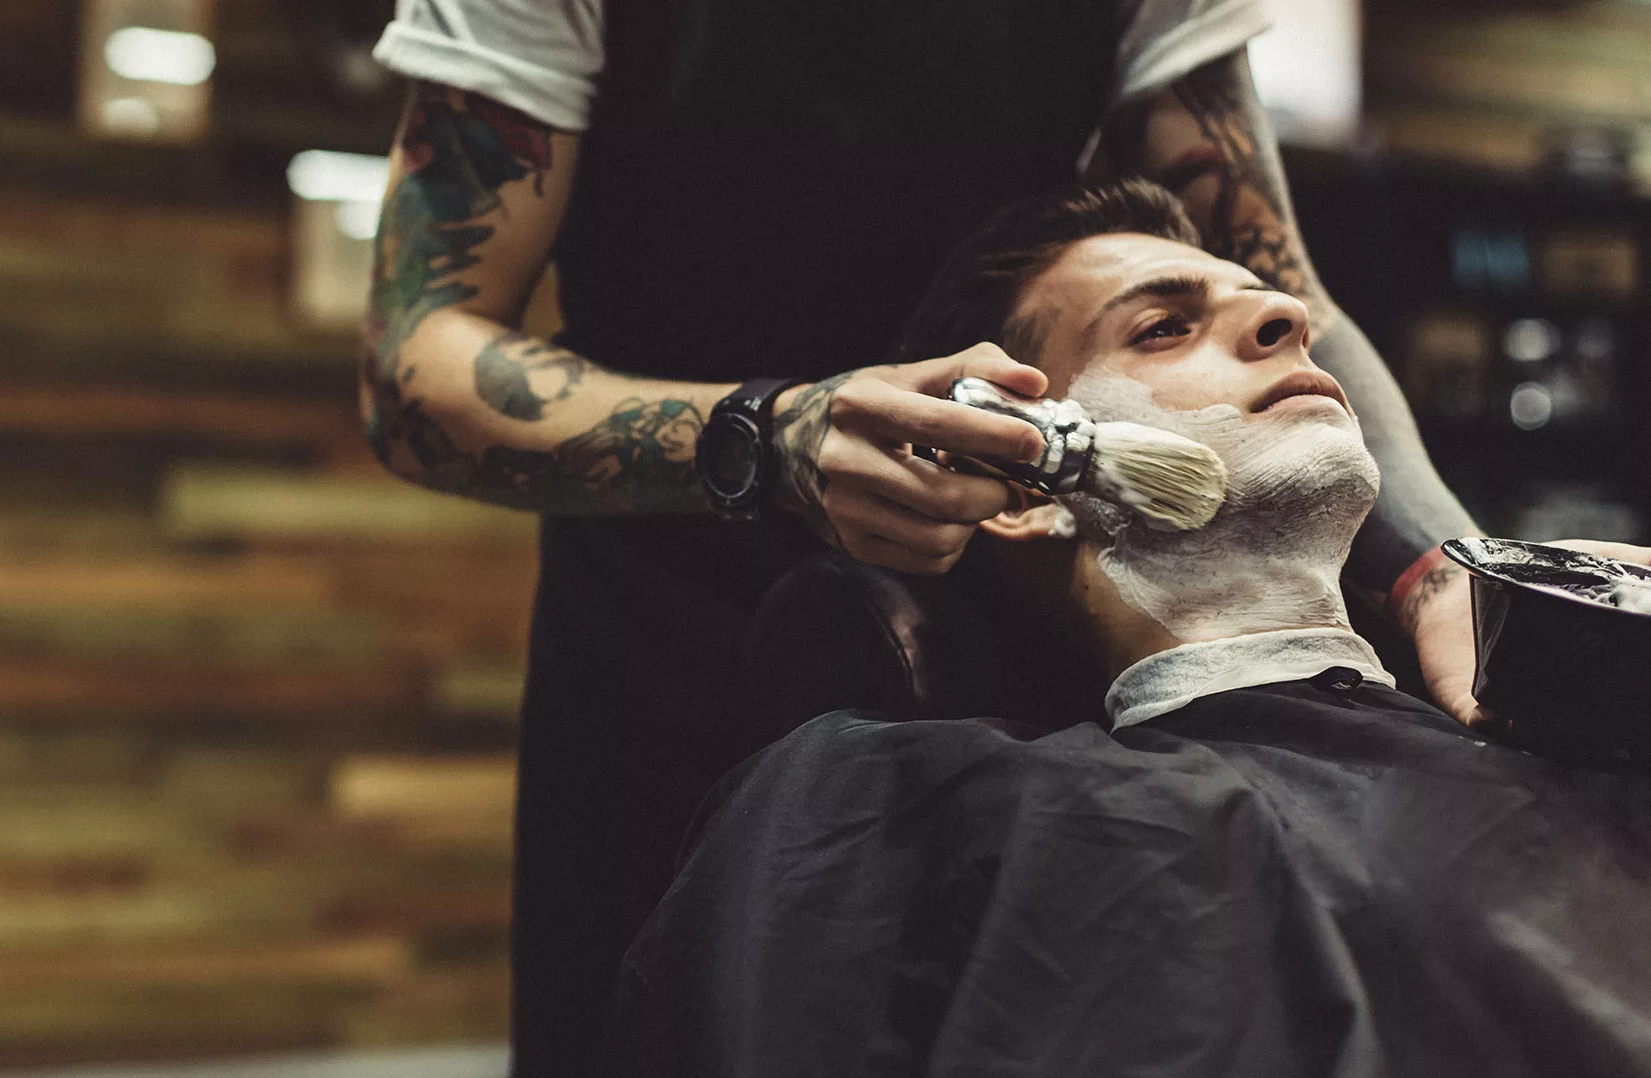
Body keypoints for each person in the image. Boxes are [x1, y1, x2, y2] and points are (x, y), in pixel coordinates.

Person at [361, 3, 1502, 1067]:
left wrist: (1450, 568)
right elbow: (419, 360)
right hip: (671, 623)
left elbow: (1287, 288)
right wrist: (764, 435)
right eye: (1167, 324)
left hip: (1033, 622)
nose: (1273, 323)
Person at [599, 180, 1651, 1077]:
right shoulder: (977, 816)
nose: (1286, 314)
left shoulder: (1559, 711)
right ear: (1021, 489)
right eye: (1162, 326)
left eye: (1264, 298)